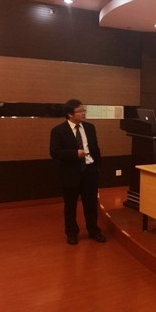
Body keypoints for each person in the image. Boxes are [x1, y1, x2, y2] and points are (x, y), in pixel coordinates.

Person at [50, 99, 106, 245]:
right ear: (70, 114)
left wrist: (98, 167)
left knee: (91, 204)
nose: (83, 113)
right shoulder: (58, 131)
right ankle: (71, 233)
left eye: (84, 110)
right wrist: (75, 154)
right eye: (80, 111)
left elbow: (95, 149)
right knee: (70, 206)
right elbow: (54, 152)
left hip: (90, 171)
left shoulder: (90, 128)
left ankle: (94, 230)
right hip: (70, 173)